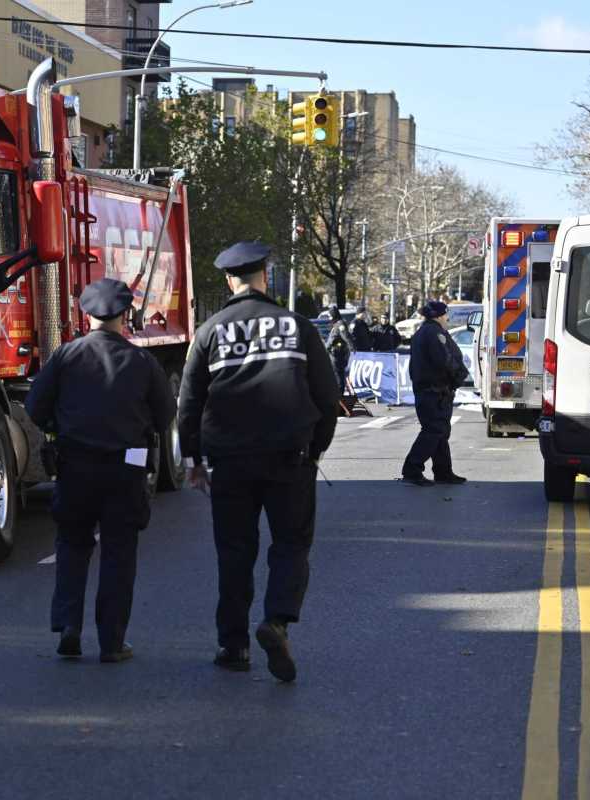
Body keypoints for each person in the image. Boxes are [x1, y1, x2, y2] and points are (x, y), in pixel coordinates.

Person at [178, 241, 341, 682]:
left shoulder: (209, 331)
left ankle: (233, 645)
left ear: (229, 280)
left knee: (234, 552)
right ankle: (277, 620)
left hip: (229, 460)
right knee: (290, 544)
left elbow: (190, 401)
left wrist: (193, 458)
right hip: (290, 457)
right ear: (264, 276)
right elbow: (328, 396)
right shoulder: (298, 326)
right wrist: (317, 448)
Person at [25, 278, 176, 663]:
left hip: (75, 467)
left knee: (73, 545)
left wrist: (61, 426)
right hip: (126, 469)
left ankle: (69, 625)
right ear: (124, 315)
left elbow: (35, 408)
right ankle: (112, 641)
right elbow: (165, 415)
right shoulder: (142, 361)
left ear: (85, 314)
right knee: (119, 553)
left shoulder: (65, 356)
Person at [402, 300, 469, 487]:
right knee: (434, 430)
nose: (447, 318)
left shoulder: (425, 332)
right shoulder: (434, 333)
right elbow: (444, 360)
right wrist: (457, 376)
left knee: (440, 431)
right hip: (434, 390)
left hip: (432, 390)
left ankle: (443, 471)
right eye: (446, 314)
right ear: (439, 315)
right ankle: (412, 469)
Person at [325, 304, 354, 389]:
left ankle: (339, 395)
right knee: (336, 374)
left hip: (337, 353)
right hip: (333, 353)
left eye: (330, 315)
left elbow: (346, 337)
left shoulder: (340, 324)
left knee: (338, 374)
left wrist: (352, 347)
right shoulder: (336, 324)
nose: (329, 317)